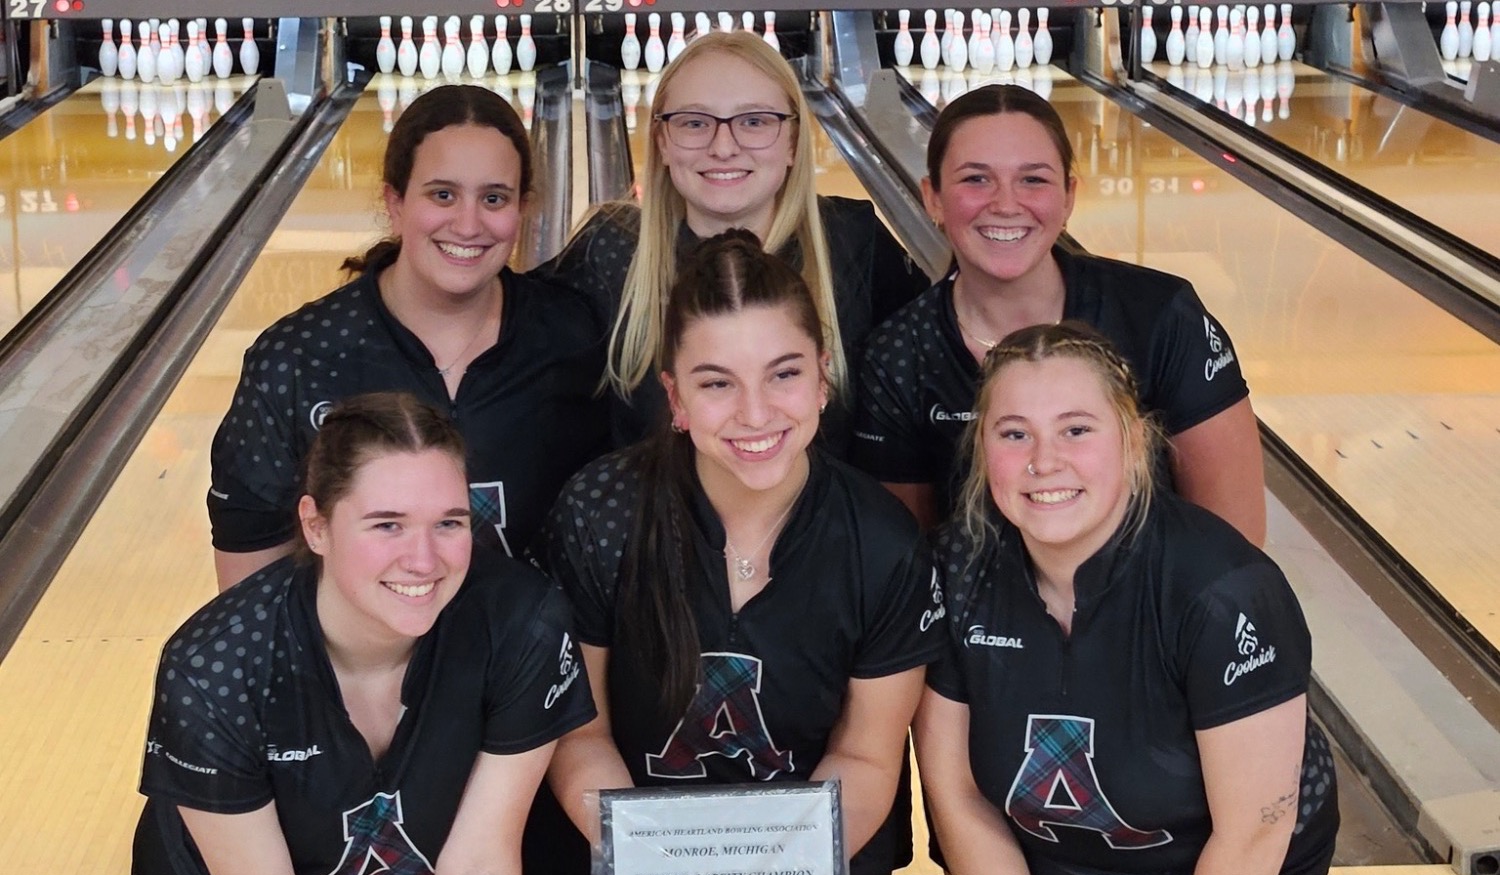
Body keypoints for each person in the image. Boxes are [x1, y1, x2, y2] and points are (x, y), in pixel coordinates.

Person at [538, 231, 942, 875]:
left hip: (820, 854)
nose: (756, 413)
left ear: (823, 379)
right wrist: (659, 872)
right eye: (717, 383)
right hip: (651, 850)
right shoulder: (600, 514)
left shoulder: (880, 541)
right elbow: (579, 736)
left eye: (784, 374)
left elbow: (865, 758)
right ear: (676, 399)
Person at [914, 322, 1338, 875]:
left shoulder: (1222, 591)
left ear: (1134, 441)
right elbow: (959, 801)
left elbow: (1253, 833)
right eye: (1014, 433)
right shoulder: (954, 575)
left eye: (1077, 430)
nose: (1044, 460)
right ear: (982, 447)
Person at [133, 392, 597, 875]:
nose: (423, 559)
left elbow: (480, 865)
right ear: (316, 526)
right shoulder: (214, 668)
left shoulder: (522, 624)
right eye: (387, 525)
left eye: (450, 523)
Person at [209, 83, 609, 590]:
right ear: (394, 202)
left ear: (522, 209)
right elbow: (249, 594)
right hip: (355, 668)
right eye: (442, 194)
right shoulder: (297, 358)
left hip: (533, 664)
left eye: (494, 198)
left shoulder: (576, 341)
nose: (468, 223)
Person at [854, 85, 1265, 545]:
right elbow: (908, 561)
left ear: (1069, 196)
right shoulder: (898, 355)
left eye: (1033, 179)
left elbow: (1235, 546)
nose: (1006, 204)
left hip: (1159, 609)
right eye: (975, 179)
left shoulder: (1159, 315)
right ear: (932, 198)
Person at [541, 31, 929, 455]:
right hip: (647, 518)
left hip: (825, 520)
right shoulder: (610, 251)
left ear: (793, 144)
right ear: (662, 143)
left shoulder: (852, 241)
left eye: (754, 121)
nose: (723, 147)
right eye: (694, 123)